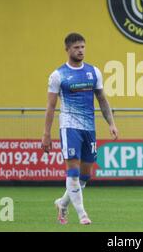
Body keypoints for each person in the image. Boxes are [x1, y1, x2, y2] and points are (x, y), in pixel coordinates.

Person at [41, 33, 119, 225]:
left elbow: (102, 99)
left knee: (85, 175)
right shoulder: (58, 75)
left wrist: (111, 123)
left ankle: (62, 203)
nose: (80, 50)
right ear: (67, 50)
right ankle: (82, 214)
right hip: (69, 127)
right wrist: (46, 134)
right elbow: (50, 106)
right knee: (73, 172)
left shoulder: (94, 72)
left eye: (83, 47)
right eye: (76, 47)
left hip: (89, 128)